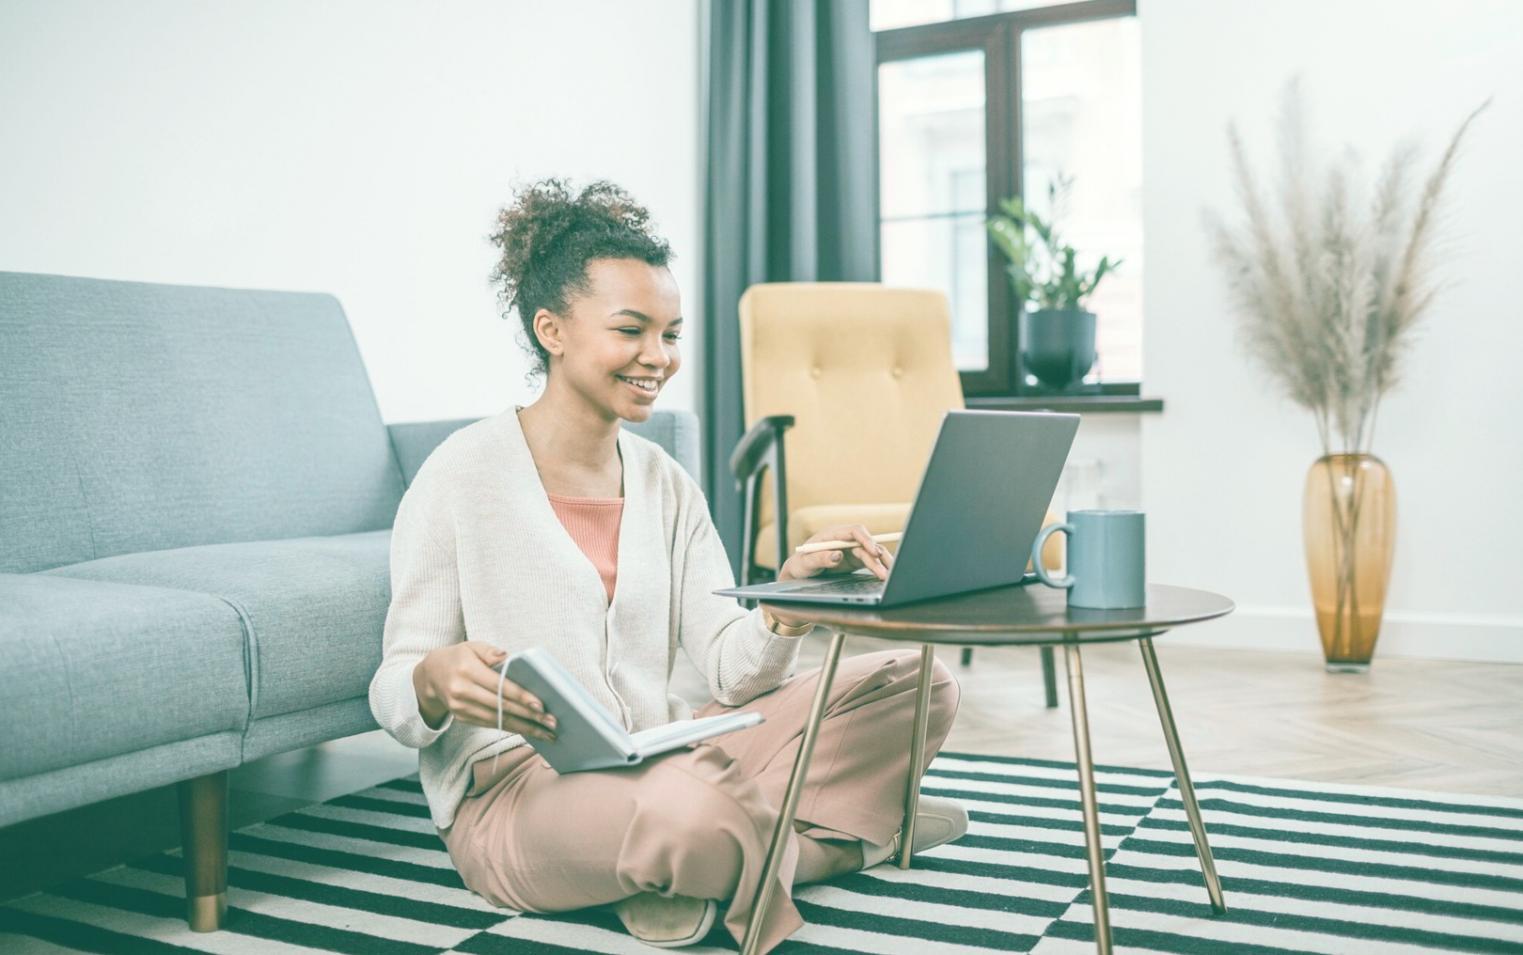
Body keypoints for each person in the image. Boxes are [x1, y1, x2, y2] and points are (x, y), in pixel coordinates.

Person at [368, 178, 966, 952]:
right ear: (551, 329)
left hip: (666, 751)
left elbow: (729, 671)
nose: (660, 357)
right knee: (686, 809)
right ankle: (852, 839)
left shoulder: (663, 481)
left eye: (671, 334)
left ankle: (707, 866)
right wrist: (431, 680)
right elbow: (392, 687)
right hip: (516, 798)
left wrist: (784, 603)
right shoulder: (459, 475)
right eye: (631, 330)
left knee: (918, 686)